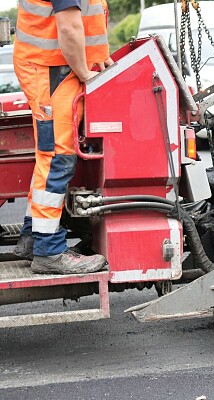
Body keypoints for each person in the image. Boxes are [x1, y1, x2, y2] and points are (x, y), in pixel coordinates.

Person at [12, 0, 113, 274]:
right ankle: (49, 251)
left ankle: (34, 236)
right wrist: (84, 71)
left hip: (54, 68)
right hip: (52, 70)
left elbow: (84, 18)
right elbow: (68, 27)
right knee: (58, 157)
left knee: (51, 155)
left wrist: (97, 57)